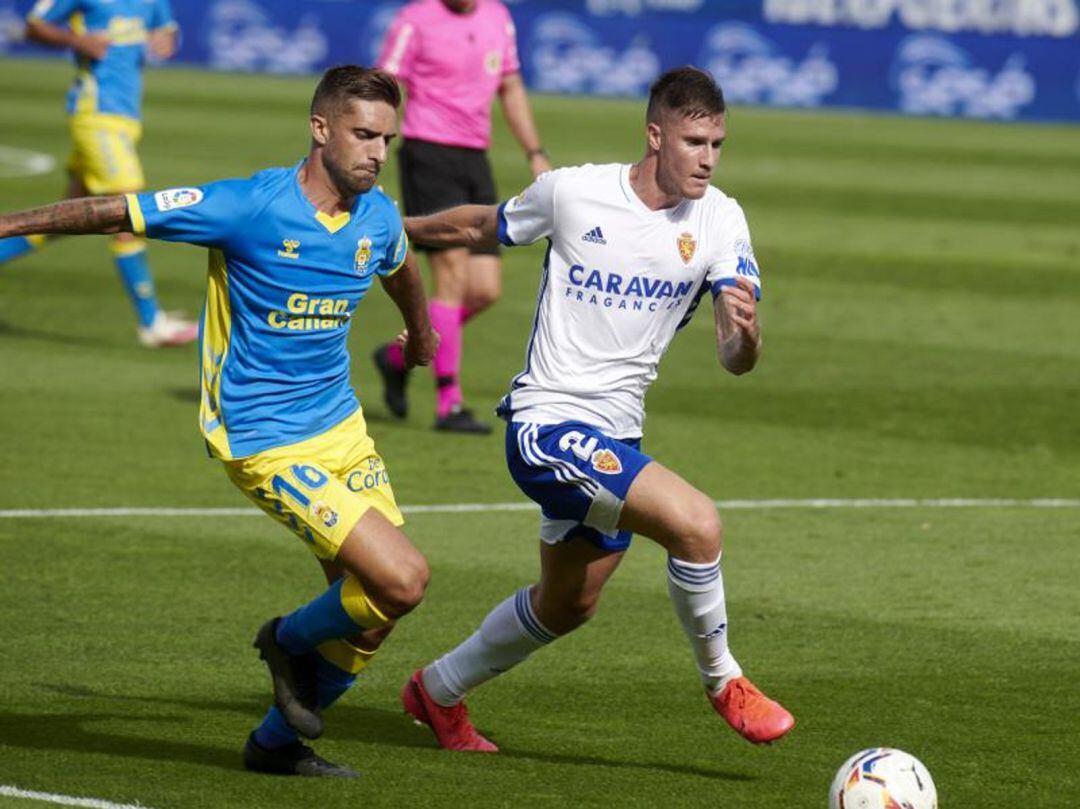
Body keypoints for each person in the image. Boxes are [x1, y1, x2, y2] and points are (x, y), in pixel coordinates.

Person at [0, 65, 439, 778]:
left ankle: (274, 745)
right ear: (320, 128)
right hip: (262, 434)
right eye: (363, 134)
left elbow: (399, 266)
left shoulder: (377, 213)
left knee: (372, 611)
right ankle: (287, 640)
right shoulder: (246, 206)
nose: (376, 152)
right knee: (405, 577)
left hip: (341, 428)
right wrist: (6, 225)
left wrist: (420, 334)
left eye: (387, 139)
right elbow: (115, 209)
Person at [398, 66, 795, 751]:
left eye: (717, 144)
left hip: (614, 437)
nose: (707, 157)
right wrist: (390, 225)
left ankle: (435, 691)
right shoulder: (575, 192)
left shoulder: (721, 219)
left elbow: (735, 357)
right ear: (655, 134)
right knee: (696, 524)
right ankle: (723, 679)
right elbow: (482, 225)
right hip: (546, 426)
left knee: (568, 604)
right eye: (694, 140)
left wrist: (747, 335)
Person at [371, 0, 551, 434]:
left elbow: (510, 85)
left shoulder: (497, 16)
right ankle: (449, 402)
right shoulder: (416, 19)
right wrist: (373, 149)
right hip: (427, 152)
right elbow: (384, 85)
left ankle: (397, 357)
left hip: (475, 159)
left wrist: (535, 152)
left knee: (485, 289)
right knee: (450, 278)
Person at [0, 0, 198, 347]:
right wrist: (77, 42)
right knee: (128, 212)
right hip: (96, 116)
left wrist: (168, 39)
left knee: (61, 219)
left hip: (124, 118)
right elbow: (34, 25)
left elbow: (166, 29)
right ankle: (152, 323)